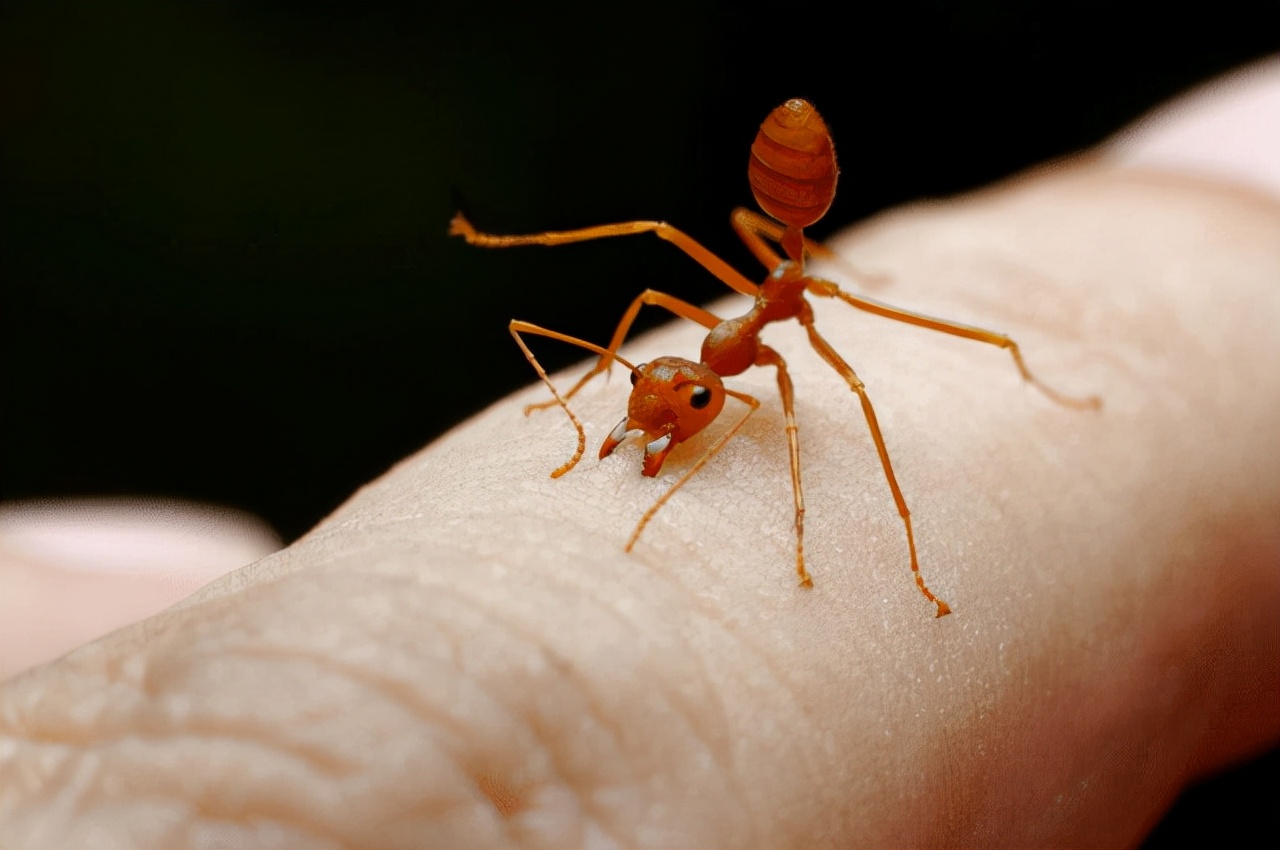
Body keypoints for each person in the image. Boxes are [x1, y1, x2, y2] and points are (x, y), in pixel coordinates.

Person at [2, 60, 1277, 847]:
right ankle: (526, 259)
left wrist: (834, 538)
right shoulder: (705, 353)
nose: (656, 417)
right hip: (773, 268)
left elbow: (810, 398)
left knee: (868, 369)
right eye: (662, 403)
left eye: (663, 402)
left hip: (796, 275)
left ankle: (1025, 371)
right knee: (684, 252)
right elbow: (637, 346)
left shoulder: (777, 357)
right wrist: (614, 395)